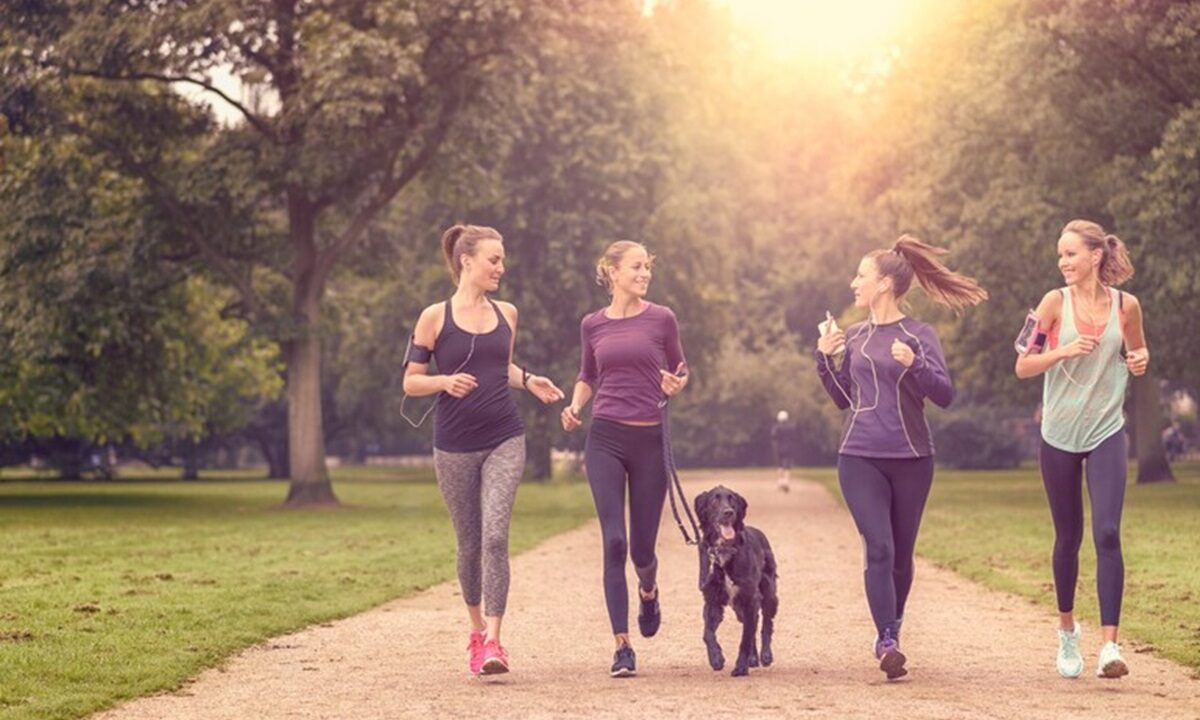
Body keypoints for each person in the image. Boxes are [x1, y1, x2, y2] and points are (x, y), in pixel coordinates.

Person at [816, 234, 987, 680]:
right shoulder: (854, 335)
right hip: (859, 456)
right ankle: (887, 641)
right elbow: (842, 401)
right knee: (879, 547)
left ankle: (893, 626)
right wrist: (823, 359)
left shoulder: (919, 335)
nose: (854, 283)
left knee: (901, 556)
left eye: (861, 275)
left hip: (912, 458)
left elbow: (945, 395)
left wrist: (915, 363)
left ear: (886, 284)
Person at [403, 224, 564, 676]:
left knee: (495, 536)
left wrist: (529, 380)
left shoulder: (507, 313)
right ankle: (475, 633)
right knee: (469, 543)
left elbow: (501, 366)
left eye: (502, 259)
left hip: (504, 436)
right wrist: (443, 381)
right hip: (453, 445)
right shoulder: (434, 317)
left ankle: (494, 641)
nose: (501, 267)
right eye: (494, 259)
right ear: (466, 261)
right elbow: (411, 381)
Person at [1015, 219, 1148, 680]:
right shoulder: (1053, 303)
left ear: (1095, 255)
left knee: (1108, 532)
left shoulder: (1127, 306)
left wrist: (1140, 360)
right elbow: (1023, 365)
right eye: (1060, 255)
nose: (1063, 262)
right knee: (1068, 536)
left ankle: (1110, 647)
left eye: (1070, 254)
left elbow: (1136, 356)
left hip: (1107, 429)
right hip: (1059, 435)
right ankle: (1068, 631)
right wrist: (1063, 351)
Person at [560, 240, 689, 677]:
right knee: (614, 541)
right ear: (612, 272)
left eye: (647, 267)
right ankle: (622, 645)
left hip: (650, 442)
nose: (644, 273)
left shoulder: (662, 318)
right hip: (606, 439)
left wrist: (676, 385)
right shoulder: (592, 325)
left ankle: (648, 592)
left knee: (642, 550)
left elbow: (681, 368)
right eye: (636, 267)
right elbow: (587, 374)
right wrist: (576, 407)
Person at [771, 410, 799, 492]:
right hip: (789, 449)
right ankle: (786, 483)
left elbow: (773, 437)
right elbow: (795, 437)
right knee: (787, 467)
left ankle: (780, 483)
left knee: (780, 466)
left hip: (779, 449)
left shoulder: (776, 427)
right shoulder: (791, 427)